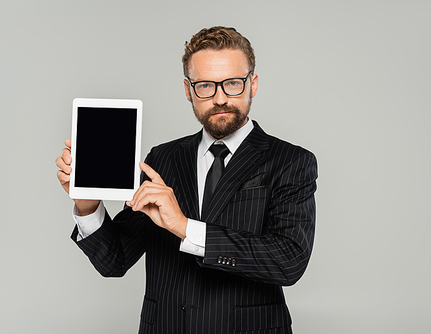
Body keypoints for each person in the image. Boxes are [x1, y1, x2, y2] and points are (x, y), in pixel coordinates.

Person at [56, 26, 317, 334]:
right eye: (205, 85)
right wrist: (88, 207)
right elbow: (115, 261)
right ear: (188, 89)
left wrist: (184, 227)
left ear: (253, 84)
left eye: (233, 83)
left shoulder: (291, 161)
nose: (220, 98)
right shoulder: (162, 159)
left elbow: (288, 261)